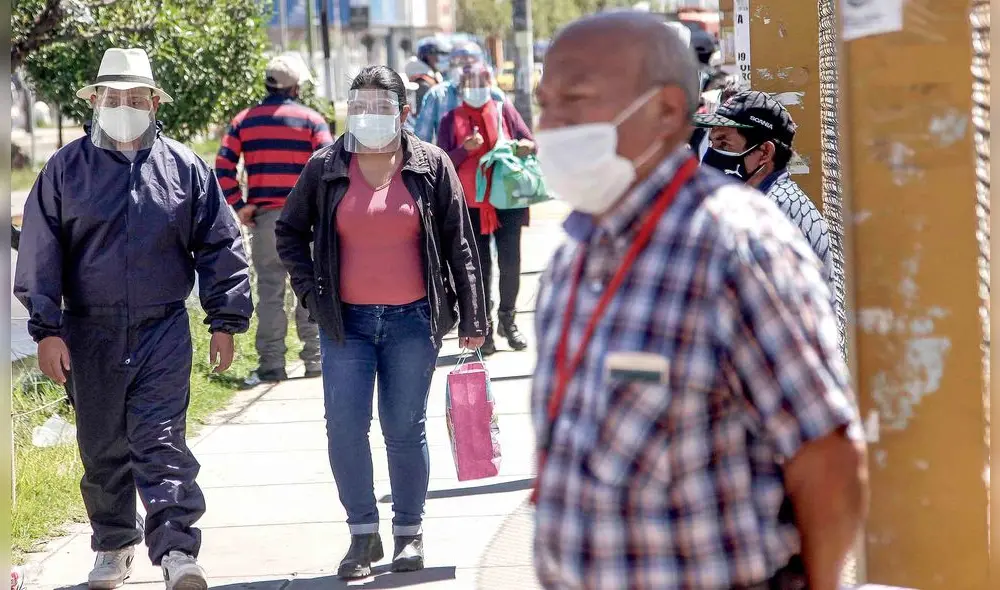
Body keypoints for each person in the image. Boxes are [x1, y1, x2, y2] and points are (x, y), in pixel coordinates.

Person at [531, 13, 867, 590]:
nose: (551, 125)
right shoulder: (573, 253)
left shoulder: (739, 249)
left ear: (665, 110)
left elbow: (827, 459)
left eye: (576, 100)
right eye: (545, 104)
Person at [14, 48, 253, 590]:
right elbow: (40, 253)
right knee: (102, 447)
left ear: (154, 103)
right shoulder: (65, 170)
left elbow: (220, 245)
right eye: (113, 96)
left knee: (161, 441)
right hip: (88, 330)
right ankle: (114, 546)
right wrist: (46, 331)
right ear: (95, 101)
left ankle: (177, 552)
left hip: (161, 328)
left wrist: (225, 319)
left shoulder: (184, 168)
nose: (124, 105)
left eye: (135, 97)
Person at [275, 65, 487, 580]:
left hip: (414, 322)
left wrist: (473, 315)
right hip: (345, 324)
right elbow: (289, 232)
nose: (368, 115)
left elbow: (460, 244)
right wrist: (311, 295)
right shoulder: (325, 166)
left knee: (404, 429)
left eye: (380, 106)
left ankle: (409, 533)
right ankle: (362, 534)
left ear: (403, 112)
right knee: (345, 429)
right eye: (359, 105)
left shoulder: (430, 165)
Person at [215, 53, 334, 385]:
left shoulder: (244, 121)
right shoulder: (312, 120)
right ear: (295, 87)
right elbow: (329, 166)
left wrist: (240, 206)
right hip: (307, 221)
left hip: (266, 221)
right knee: (310, 285)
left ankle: (271, 364)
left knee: (269, 292)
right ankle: (315, 359)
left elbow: (223, 167)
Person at [437, 64, 534, 355]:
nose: (477, 87)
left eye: (482, 81)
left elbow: (530, 141)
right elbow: (441, 162)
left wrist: (524, 146)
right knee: (478, 269)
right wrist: (464, 150)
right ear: (461, 86)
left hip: (507, 202)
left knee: (511, 263)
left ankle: (508, 319)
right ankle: (485, 328)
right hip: (471, 206)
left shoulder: (504, 110)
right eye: (470, 82)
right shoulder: (450, 119)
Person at [695, 90, 835, 288]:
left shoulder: (777, 209)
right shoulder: (765, 199)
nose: (711, 156)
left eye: (724, 144)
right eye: (712, 143)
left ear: (764, 153)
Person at [412, 41, 505, 144]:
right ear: (452, 66)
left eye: (471, 63)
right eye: (461, 63)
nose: (467, 71)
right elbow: (421, 139)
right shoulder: (438, 95)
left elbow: (510, 134)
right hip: (448, 154)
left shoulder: (495, 95)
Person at [405, 37, 451, 114]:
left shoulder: (429, 78)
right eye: (436, 55)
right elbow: (422, 113)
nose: (438, 59)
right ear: (428, 56)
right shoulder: (423, 83)